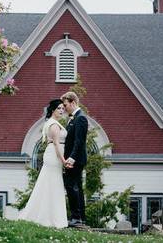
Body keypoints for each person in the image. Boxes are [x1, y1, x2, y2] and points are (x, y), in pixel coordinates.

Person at [17, 99, 68, 228]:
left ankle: (50, 216)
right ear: (52, 110)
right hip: (54, 157)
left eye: (63, 108)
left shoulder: (51, 122)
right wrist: (63, 160)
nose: (62, 111)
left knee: (50, 184)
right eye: (59, 108)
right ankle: (51, 218)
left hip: (52, 155)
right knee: (53, 184)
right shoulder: (54, 125)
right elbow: (56, 143)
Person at [61, 91, 88, 227]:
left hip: (76, 160)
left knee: (72, 186)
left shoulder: (81, 118)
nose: (64, 108)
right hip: (74, 158)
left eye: (65, 105)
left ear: (73, 102)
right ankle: (80, 218)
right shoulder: (73, 118)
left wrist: (71, 158)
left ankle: (76, 217)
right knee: (77, 187)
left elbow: (79, 141)